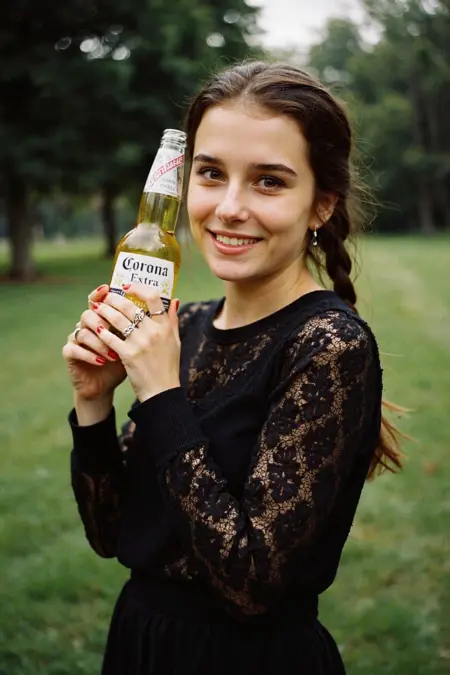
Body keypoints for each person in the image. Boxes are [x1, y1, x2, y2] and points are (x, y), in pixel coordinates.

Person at [63, 60, 403, 675]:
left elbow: (249, 586)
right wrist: (93, 402)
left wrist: (161, 393)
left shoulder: (327, 346)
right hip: (141, 643)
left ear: (321, 205)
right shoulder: (187, 325)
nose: (229, 207)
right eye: (211, 173)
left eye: (269, 181)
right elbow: (110, 536)